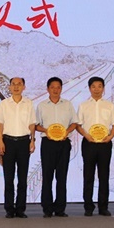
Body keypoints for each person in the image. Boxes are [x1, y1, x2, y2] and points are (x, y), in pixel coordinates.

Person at [76, 76, 114, 216]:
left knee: (104, 175)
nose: (96, 89)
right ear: (89, 88)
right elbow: (78, 125)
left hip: (105, 144)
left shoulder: (109, 105)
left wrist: (110, 137)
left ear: (103, 88)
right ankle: (88, 207)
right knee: (88, 175)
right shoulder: (83, 105)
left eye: (99, 86)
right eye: (93, 86)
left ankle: (103, 207)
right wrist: (86, 135)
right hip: (89, 143)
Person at [36, 77, 78, 218]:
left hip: (63, 144)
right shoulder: (42, 105)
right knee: (47, 176)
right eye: (52, 87)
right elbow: (36, 125)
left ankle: (60, 208)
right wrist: (46, 130)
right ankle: (47, 208)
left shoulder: (67, 104)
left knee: (62, 176)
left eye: (58, 87)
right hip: (47, 143)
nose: (55, 90)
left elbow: (74, 123)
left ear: (61, 89)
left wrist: (67, 131)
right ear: (48, 89)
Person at [0, 77, 36, 218]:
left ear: (24, 87)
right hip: (8, 142)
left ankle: (20, 209)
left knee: (22, 178)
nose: (16, 87)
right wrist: (0, 141)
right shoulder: (4, 104)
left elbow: (32, 124)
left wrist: (32, 140)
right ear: (10, 87)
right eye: (13, 84)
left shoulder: (28, 103)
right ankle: (9, 209)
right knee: (8, 177)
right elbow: (0, 124)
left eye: (19, 84)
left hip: (24, 142)